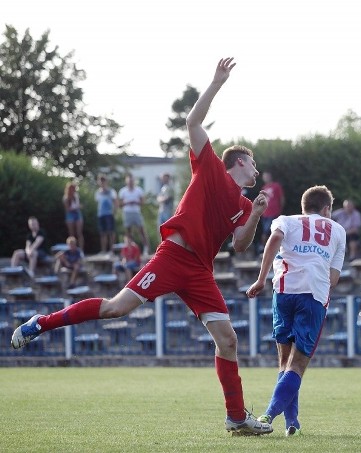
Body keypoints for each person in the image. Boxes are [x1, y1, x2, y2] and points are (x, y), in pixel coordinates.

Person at [11, 57, 273, 436]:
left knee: (228, 339)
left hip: (200, 270)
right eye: (252, 164)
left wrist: (256, 215)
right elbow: (193, 123)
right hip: (173, 257)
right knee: (115, 309)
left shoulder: (247, 205)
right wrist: (217, 83)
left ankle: (236, 417)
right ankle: (41, 322)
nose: (257, 171)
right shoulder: (211, 166)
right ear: (237, 162)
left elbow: (242, 245)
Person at [246, 185, 346, 437]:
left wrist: (260, 279)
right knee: (298, 364)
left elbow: (275, 239)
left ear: (304, 207)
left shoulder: (286, 220)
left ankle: (293, 424)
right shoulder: (338, 230)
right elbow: (333, 279)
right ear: (326, 209)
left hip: (284, 291)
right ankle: (268, 413)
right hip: (313, 294)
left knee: (284, 361)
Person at [118, 172, 150, 256]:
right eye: (129, 181)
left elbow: (143, 202)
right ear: (126, 181)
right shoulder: (123, 191)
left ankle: (146, 248)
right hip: (127, 212)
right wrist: (127, 203)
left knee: (141, 230)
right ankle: (129, 249)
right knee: (128, 231)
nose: (131, 183)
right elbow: (120, 204)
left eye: (132, 181)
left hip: (136, 212)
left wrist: (136, 202)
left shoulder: (139, 190)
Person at [258, 171, 285, 252]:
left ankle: (264, 248)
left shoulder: (276, 186)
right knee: (266, 231)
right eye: (264, 176)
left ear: (270, 176)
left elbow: (281, 198)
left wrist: (280, 209)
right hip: (265, 213)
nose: (266, 178)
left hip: (274, 212)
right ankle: (266, 249)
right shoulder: (264, 188)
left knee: (268, 232)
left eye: (267, 176)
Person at [94, 174, 118, 254]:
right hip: (101, 215)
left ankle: (112, 250)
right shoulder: (98, 192)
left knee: (110, 232)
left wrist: (114, 212)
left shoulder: (111, 191)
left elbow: (115, 202)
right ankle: (104, 250)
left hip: (109, 214)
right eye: (100, 181)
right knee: (102, 233)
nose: (102, 183)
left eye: (103, 181)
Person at [62, 181, 84, 251]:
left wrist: (77, 207)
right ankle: (72, 250)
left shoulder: (76, 195)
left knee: (79, 233)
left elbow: (78, 205)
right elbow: (68, 209)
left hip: (77, 214)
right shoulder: (65, 198)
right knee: (71, 234)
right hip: (70, 215)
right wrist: (76, 207)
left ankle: (81, 250)